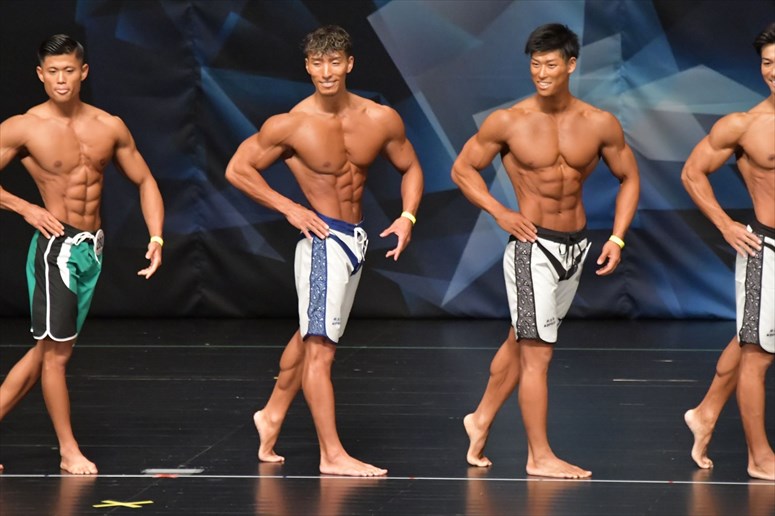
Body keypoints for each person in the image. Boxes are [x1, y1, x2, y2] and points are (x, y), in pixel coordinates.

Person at [225, 25, 423, 477]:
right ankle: (332, 455)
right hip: (322, 242)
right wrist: (290, 207)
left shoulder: (380, 118)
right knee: (321, 348)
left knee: (310, 333)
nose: (326, 71)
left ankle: (272, 414)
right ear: (308, 67)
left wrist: (407, 217)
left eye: (334, 62)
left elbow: (410, 166)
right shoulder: (291, 124)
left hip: (355, 240)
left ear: (349, 64)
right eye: (317, 63)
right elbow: (238, 169)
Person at [451, 23, 640, 479]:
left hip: (576, 247)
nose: (541, 73)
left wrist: (617, 237)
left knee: (520, 340)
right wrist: (500, 212)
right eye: (535, 65)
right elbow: (463, 170)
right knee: (538, 352)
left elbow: (629, 178)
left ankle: (479, 419)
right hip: (531, 247)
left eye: (550, 65)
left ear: (571, 65)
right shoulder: (508, 121)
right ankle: (539, 456)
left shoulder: (599, 123)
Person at [0, 34, 165, 474]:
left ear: (83, 72)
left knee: (45, 352)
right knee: (56, 355)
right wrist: (25, 207)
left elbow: (145, 180)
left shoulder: (109, 125)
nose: (61, 79)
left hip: (91, 251)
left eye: (69, 70)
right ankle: (68, 450)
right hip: (56, 249)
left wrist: (156, 237)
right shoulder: (24, 127)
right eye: (53, 71)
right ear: (40, 75)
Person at [682, 23, 775, 481]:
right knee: (758, 352)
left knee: (748, 338)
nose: (773, 71)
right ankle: (759, 457)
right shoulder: (745, 125)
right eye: (767, 63)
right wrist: (724, 223)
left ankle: (706, 412)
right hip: (767, 250)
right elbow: (692, 172)